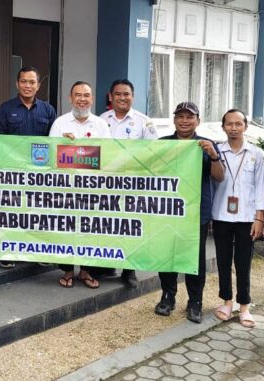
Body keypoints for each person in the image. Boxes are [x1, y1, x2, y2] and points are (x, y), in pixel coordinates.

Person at [154, 102, 225, 323]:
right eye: (180, 116)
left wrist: (214, 156)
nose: (184, 121)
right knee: (166, 255)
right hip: (167, 210)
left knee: (195, 258)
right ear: (174, 120)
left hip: (196, 212)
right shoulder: (162, 144)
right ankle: (168, 296)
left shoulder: (206, 145)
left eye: (189, 117)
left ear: (198, 121)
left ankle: (195, 301)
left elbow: (219, 176)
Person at [0, 66, 57, 268]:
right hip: (12, 172)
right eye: (23, 81)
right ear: (17, 84)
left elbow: (54, 142)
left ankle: (40, 251)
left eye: (32, 82)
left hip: (40, 174)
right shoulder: (5, 109)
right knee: (11, 212)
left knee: (39, 212)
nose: (27, 86)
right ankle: (9, 252)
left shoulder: (48, 110)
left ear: (38, 86)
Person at [49, 81, 111, 289]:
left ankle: (86, 270)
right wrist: (66, 146)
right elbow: (51, 154)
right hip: (66, 187)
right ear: (70, 98)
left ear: (92, 99)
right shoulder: (60, 123)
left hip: (92, 188)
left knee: (90, 229)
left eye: (86, 95)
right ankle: (67, 270)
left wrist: (79, 152)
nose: (82, 99)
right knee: (66, 228)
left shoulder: (101, 124)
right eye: (78, 95)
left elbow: (108, 154)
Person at [97, 78, 158, 288]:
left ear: (133, 97)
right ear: (110, 97)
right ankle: (107, 265)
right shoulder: (101, 120)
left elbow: (153, 153)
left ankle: (129, 270)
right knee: (108, 225)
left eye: (126, 94)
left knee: (129, 227)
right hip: (106, 184)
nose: (122, 98)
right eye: (118, 94)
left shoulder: (144, 122)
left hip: (133, 185)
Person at [211, 109, 264, 328]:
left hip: (246, 216)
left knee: (244, 262)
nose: (233, 128)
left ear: (245, 126)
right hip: (220, 214)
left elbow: (261, 186)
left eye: (238, 124)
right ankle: (226, 301)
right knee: (223, 260)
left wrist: (259, 218)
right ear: (223, 127)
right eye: (229, 124)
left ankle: (244, 305)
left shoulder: (256, 153)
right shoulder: (216, 151)